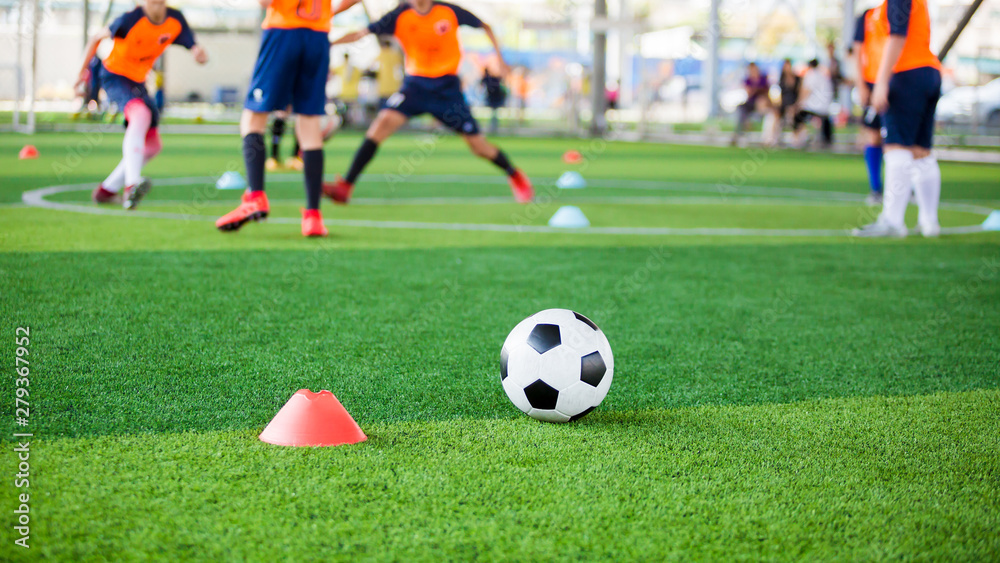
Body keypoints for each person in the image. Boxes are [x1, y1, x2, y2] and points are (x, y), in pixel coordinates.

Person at [323, 0, 534, 205]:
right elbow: (361, 33)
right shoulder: (399, 15)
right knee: (381, 123)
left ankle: (515, 175)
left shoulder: (448, 11)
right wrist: (329, 42)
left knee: (479, 146)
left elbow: (485, 27)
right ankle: (346, 187)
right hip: (415, 87)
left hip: (447, 89)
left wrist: (500, 60)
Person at [215, 0, 334, 237]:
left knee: (253, 118)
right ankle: (313, 217)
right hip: (318, 36)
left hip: (283, 32)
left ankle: (256, 197)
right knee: (309, 126)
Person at [75, 0, 207, 209]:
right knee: (140, 115)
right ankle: (132, 186)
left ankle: (106, 191)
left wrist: (198, 52)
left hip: (138, 81)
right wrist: (81, 75)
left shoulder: (175, 20)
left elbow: (192, 44)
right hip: (114, 76)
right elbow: (95, 38)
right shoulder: (129, 20)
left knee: (153, 146)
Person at [853, 0, 942, 238]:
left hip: (906, 73)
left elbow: (897, 36)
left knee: (896, 147)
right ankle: (929, 223)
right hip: (928, 71)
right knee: (920, 150)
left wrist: (882, 81)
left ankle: (892, 222)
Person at [854, 7, 887, 205]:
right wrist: (861, 84)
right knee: (873, 135)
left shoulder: (901, 9)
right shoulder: (867, 16)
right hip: (873, 82)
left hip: (897, 80)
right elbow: (858, 51)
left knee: (898, 140)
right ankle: (876, 188)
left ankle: (901, 188)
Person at [793, 59, 834, 148]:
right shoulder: (823, 75)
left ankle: (798, 139)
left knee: (797, 117)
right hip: (825, 107)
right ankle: (825, 140)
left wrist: (798, 103)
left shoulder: (811, 75)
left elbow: (806, 91)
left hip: (814, 107)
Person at [731, 62, 773, 146]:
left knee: (763, 106)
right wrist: (756, 89)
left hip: (761, 103)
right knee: (741, 109)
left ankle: (765, 137)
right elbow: (748, 92)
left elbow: (766, 92)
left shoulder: (763, 79)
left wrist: (755, 90)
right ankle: (738, 134)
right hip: (750, 103)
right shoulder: (748, 80)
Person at [481, 66, 507, 135]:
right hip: (495, 97)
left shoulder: (489, 79)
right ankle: (493, 128)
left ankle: (493, 128)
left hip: (494, 97)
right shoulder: (493, 79)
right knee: (494, 114)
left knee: (494, 114)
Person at [778, 59, 801, 128]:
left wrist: (797, 104)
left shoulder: (797, 78)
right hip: (784, 104)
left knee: (793, 114)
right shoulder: (781, 79)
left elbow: (799, 92)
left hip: (794, 103)